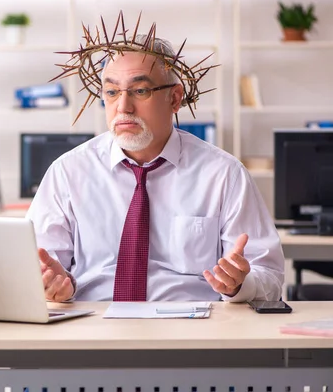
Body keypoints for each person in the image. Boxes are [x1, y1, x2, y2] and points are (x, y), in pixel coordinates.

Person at [25, 22, 285, 303]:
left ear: (174, 98)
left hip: (191, 332)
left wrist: (239, 285)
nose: (123, 107)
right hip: (93, 327)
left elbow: (269, 275)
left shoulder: (223, 174)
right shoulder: (68, 172)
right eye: (112, 92)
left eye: (140, 91)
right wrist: (52, 286)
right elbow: (34, 269)